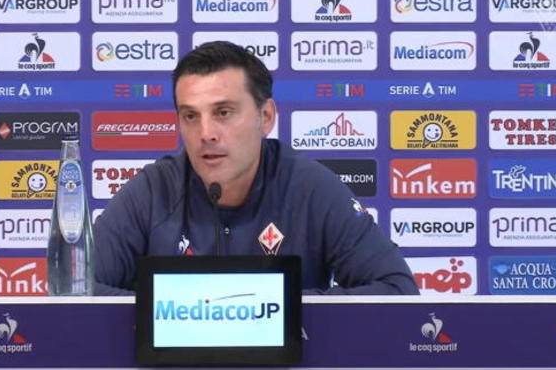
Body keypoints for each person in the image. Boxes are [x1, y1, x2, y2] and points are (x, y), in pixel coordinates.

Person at [93, 41, 418, 295]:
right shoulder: (153, 191)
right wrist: (179, 309)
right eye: (190, 116)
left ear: (266, 118)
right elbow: (75, 291)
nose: (206, 133)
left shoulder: (310, 188)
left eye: (223, 112)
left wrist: (274, 306)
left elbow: (397, 290)